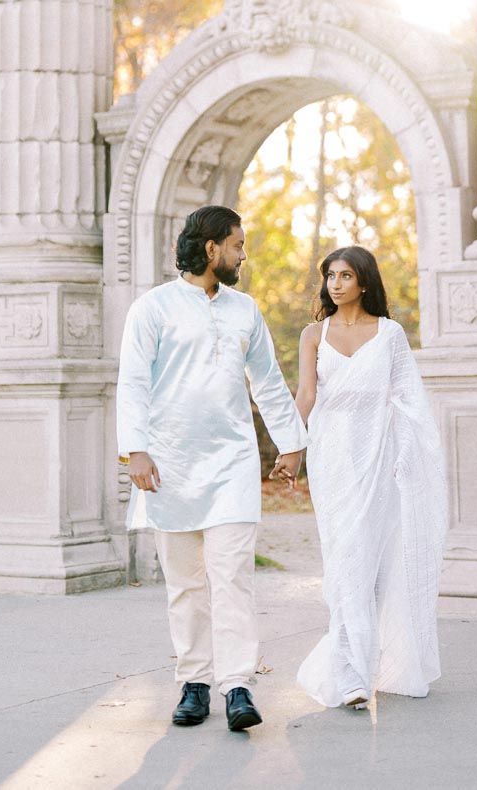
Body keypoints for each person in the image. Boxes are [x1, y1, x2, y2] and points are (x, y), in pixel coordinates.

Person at [116, 205, 307, 732]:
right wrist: (135, 449)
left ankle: (238, 686)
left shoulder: (245, 310)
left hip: (232, 463)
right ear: (211, 249)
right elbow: (132, 381)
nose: (244, 255)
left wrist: (290, 444)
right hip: (169, 463)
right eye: (238, 246)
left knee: (232, 578)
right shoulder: (152, 308)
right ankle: (194, 683)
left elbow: (267, 380)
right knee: (185, 583)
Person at [295, 246, 446, 709]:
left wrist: (408, 457)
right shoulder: (313, 335)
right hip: (331, 459)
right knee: (343, 560)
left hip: (380, 460)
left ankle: (355, 675)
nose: (335, 284)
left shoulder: (390, 334)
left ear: (364, 282)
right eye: (330, 276)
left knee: (368, 565)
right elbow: (305, 395)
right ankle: (350, 671)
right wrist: (291, 447)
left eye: (345, 275)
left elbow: (409, 400)